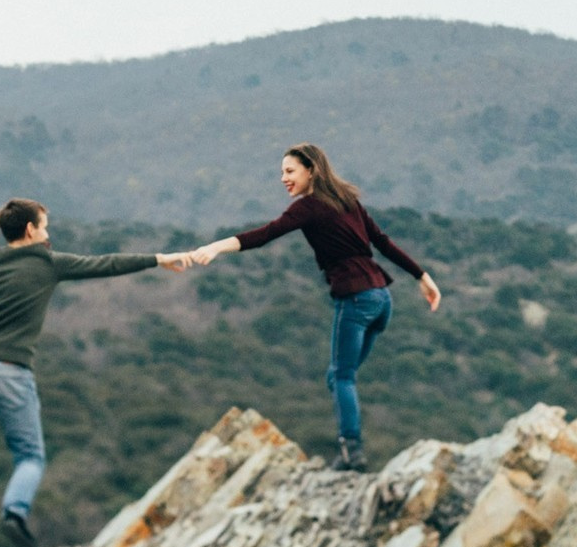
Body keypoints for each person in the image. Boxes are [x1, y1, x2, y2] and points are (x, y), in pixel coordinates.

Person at [0, 198, 191, 547]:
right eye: (45, 226)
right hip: (10, 371)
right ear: (30, 230)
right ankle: (14, 511)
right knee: (30, 456)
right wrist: (160, 259)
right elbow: (105, 264)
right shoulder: (46, 263)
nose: (48, 234)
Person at [188, 143, 440, 471]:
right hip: (381, 300)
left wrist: (215, 247)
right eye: (282, 172)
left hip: (356, 299)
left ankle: (352, 452)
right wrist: (422, 276)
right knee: (338, 377)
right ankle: (350, 449)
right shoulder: (347, 201)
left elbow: (264, 234)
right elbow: (383, 242)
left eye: (290, 171)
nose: (283, 178)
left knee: (342, 376)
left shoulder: (309, 207)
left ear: (311, 171)